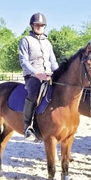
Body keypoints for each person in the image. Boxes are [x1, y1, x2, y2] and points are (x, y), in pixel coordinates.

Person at [19, 13, 59, 141]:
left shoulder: (48, 43)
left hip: (48, 75)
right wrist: (36, 73)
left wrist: (58, 74)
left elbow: (53, 61)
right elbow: (23, 61)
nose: (39, 27)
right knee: (33, 95)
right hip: (33, 76)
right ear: (32, 26)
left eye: (42, 25)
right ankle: (28, 127)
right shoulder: (26, 41)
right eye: (37, 25)